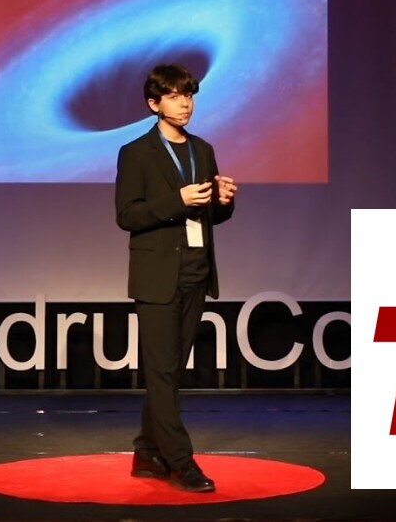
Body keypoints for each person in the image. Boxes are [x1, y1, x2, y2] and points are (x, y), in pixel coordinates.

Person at [114, 63, 237, 492]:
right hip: (156, 275)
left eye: (189, 95)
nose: (185, 103)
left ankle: (147, 451)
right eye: (174, 96)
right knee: (162, 372)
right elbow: (127, 215)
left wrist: (223, 202)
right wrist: (176, 200)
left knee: (172, 370)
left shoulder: (202, 150)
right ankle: (181, 461)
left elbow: (209, 215)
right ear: (154, 104)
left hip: (196, 270)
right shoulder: (136, 153)